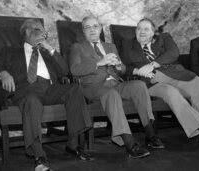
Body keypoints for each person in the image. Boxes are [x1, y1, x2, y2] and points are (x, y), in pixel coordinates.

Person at [0, 18, 94, 171]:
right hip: (26, 89)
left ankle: (72, 144)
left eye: (45, 32)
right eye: (40, 31)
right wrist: (3, 73)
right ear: (28, 32)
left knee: (74, 89)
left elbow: (65, 71)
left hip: (50, 89)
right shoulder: (10, 50)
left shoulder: (47, 53)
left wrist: (50, 49)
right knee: (32, 101)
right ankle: (39, 156)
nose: (44, 35)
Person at [69, 15, 164, 159]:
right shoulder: (77, 47)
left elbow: (123, 70)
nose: (92, 30)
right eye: (87, 27)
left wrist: (119, 65)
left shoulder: (110, 46)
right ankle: (130, 143)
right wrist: (99, 63)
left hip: (115, 83)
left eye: (95, 26)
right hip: (93, 87)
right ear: (83, 31)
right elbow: (74, 70)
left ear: (100, 28)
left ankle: (150, 135)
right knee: (111, 95)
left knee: (139, 85)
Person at [121, 18, 199, 146]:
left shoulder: (164, 37)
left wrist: (152, 64)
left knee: (198, 82)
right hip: (153, 82)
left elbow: (174, 53)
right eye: (138, 28)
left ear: (153, 32)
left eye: (146, 29)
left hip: (176, 75)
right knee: (170, 92)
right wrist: (137, 71)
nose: (141, 32)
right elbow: (123, 67)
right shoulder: (128, 45)